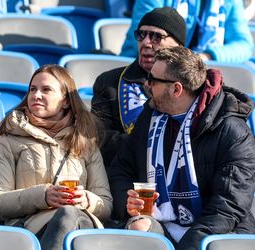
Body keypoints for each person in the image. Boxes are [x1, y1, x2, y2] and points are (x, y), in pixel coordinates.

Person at [108, 46, 255, 250]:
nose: (146, 85)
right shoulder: (150, 116)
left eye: (152, 80)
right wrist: (129, 201)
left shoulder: (232, 132)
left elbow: (228, 207)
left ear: (176, 89)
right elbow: (121, 169)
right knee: (139, 226)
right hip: (162, 224)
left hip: (217, 233)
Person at [0, 65, 113, 250]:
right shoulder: (7, 141)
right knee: (68, 215)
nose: (36, 95)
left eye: (46, 90)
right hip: (31, 231)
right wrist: (43, 196)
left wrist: (86, 199)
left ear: (66, 101)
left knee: (72, 216)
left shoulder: (86, 143)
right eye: (32, 89)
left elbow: (106, 204)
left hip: (83, 226)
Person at [91, 7, 186, 168]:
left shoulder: (192, 85)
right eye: (141, 35)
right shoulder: (109, 82)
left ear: (178, 46)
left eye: (156, 36)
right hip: (124, 175)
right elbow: (100, 139)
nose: (146, 42)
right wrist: (155, 146)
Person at [121, 0, 254, 63]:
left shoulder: (230, 2)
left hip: (196, 71)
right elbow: (147, 40)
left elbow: (244, 45)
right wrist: (184, 62)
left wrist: (206, 57)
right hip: (142, 67)